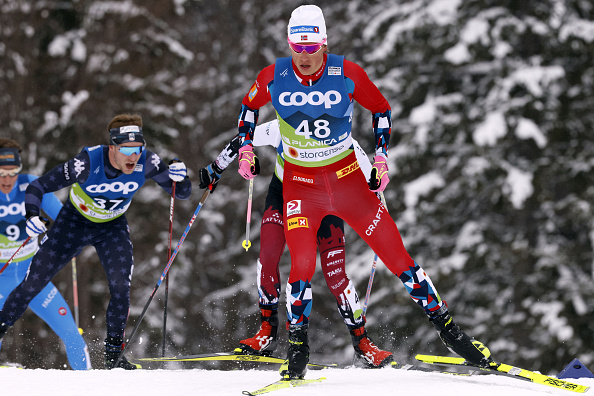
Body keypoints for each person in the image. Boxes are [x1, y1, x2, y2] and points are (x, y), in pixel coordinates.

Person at [234, 5, 493, 379]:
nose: (304, 56)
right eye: (297, 46)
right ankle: (297, 346)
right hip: (301, 186)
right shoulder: (274, 75)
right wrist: (245, 148)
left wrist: (382, 157)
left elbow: (382, 109)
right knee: (302, 263)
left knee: (399, 258)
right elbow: (247, 108)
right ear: (289, 44)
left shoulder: (346, 72)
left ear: (324, 42)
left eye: (311, 47)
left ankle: (450, 331)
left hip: (348, 182)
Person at [0, 114, 191, 370]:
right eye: (126, 150)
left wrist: (182, 177)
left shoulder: (148, 162)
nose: (133, 157)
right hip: (74, 224)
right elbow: (38, 186)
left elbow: (183, 193)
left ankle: (114, 356)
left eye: (138, 149)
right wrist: (33, 216)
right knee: (33, 283)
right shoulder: (87, 163)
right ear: (112, 147)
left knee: (121, 288)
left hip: (112, 227)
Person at [199, 120, 393, 368]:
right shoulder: (283, 125)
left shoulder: (343, 138)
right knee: (268, 257)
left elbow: (374, 182)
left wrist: (377, 205)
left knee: (335, 275)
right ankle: (267, 332)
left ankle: (362, 342)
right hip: (284, 194)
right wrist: (216, 168)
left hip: (326, 202)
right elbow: (242, 138)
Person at [0, 139, 91, 370]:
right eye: (1, 173)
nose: (7, 180)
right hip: (2, 278)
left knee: (72, 334)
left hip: (33, 278)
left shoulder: (31, 185)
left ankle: (92, 387)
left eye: (13, 173)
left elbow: (62, 218)